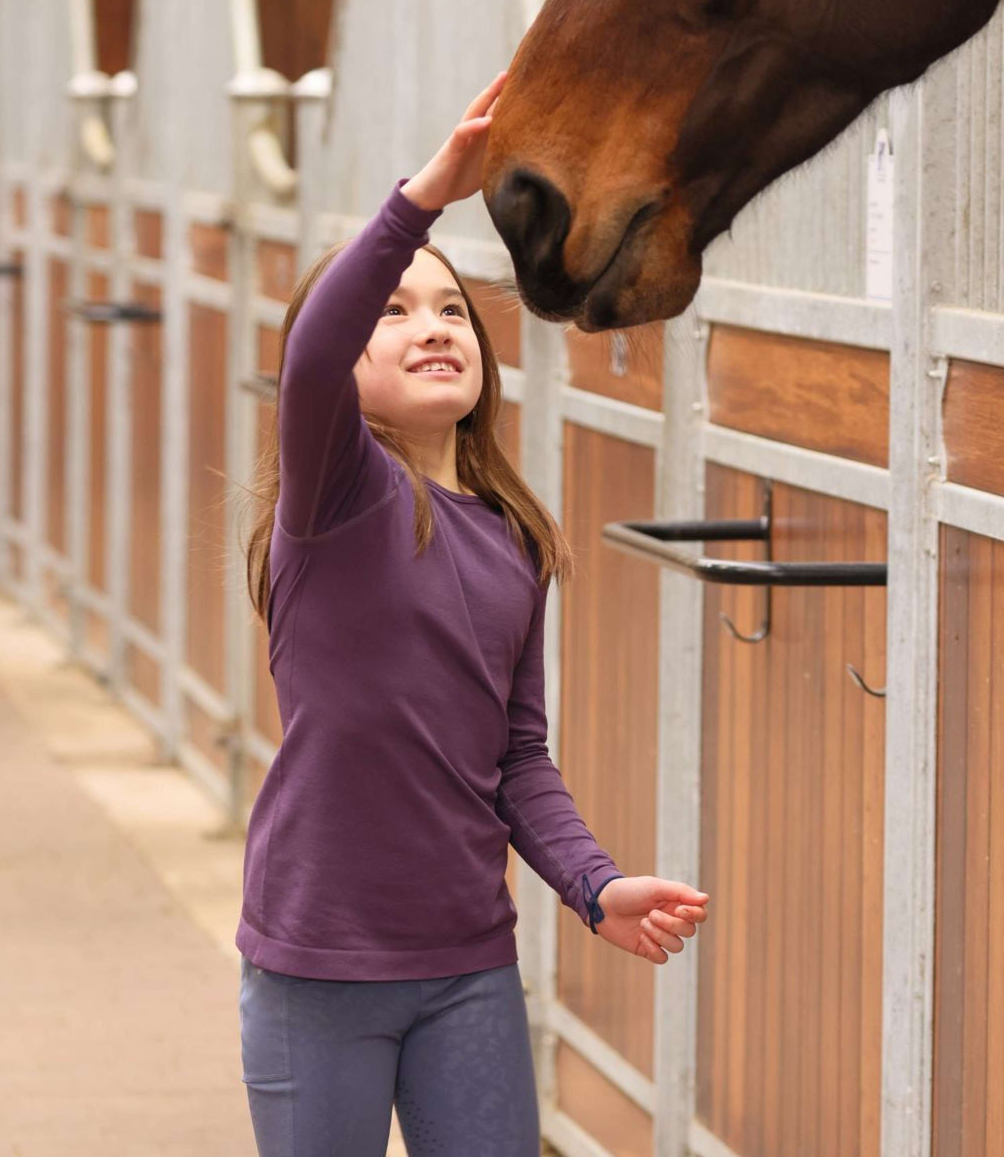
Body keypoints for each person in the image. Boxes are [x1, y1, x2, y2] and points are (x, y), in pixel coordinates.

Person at [234, 70, 711, 1156]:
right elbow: (308, 357)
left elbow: (517, 759)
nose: (431, 324)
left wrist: (598, 886)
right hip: (318, 966)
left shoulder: (514, 539)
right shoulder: (335, 500)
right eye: (393, 311)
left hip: (467, 967)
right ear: (347, 367)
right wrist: (423, 203)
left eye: (452, 308)